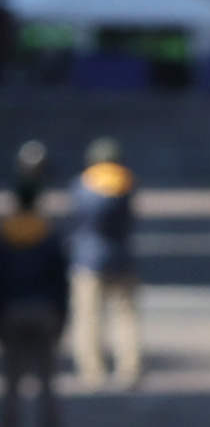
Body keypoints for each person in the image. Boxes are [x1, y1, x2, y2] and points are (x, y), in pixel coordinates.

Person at [0, 170, 68, 427]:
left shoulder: (5, 237)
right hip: (43, 312)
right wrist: (62, 319)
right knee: (47, 381)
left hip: (12, 311)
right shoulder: (49, 235)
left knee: (11, 382)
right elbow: (61, 283)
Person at [68, 137, 142, 390]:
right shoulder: (127, 183)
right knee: (125, 316)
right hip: (121, 256)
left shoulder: (82, 184)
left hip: (88, 259)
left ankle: (92, 371)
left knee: (88, 317)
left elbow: (78, 217)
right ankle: (129, 369)